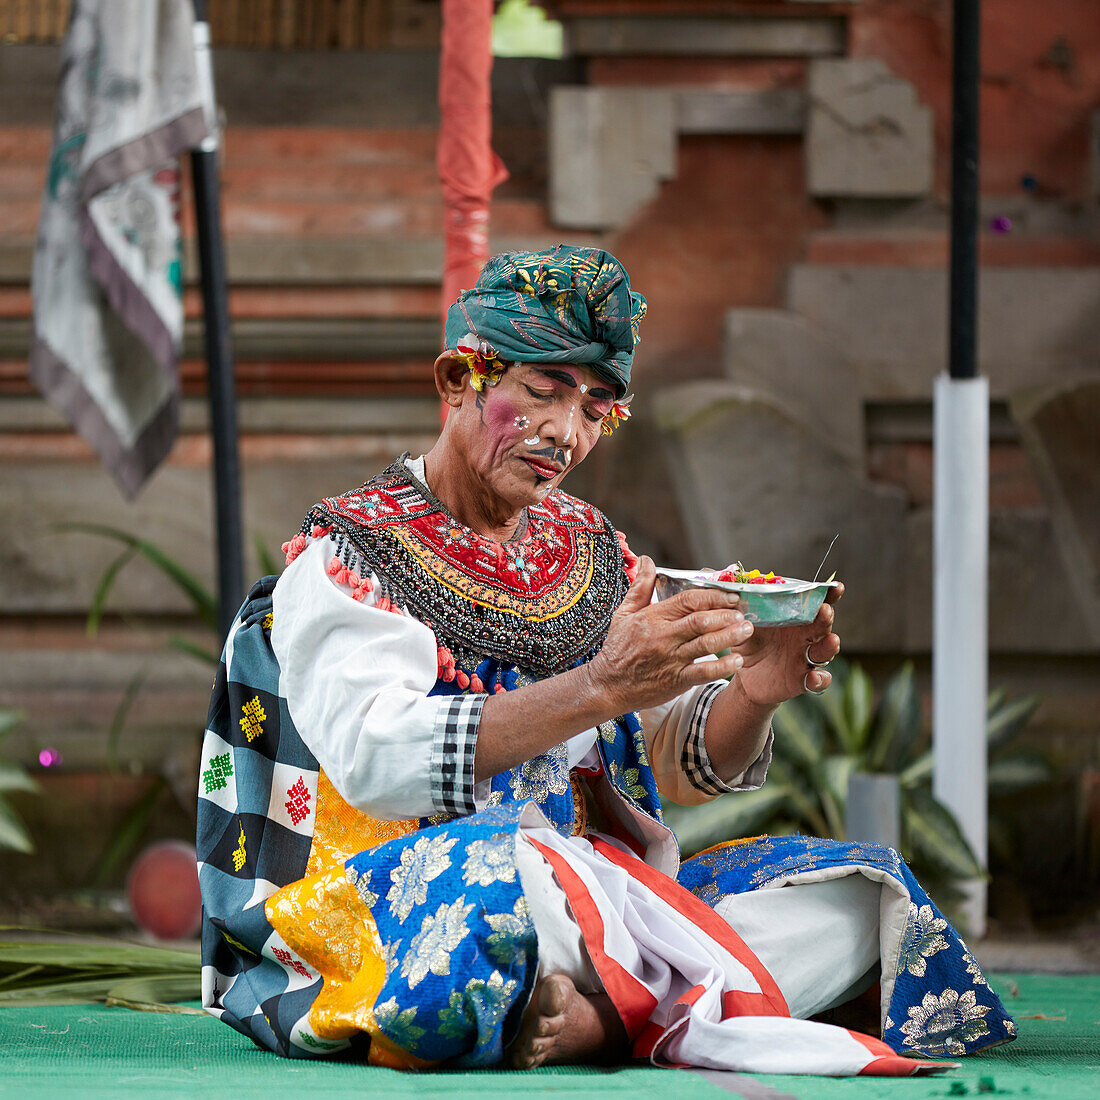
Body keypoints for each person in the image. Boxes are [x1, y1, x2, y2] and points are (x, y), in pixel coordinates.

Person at [197, 246, 1014, 1075]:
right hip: (403, 902)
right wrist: (601, 686)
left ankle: (604, 1015)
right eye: (542, 393)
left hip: (598, 899)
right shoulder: (351, 556)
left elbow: (672, 766)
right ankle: (659, 1001)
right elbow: (379, 759)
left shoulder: (594, 555)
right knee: (504, 891)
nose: (565, 433)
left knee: (860, 897)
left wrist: (758, 693)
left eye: (594, 409)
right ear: (457, 382)